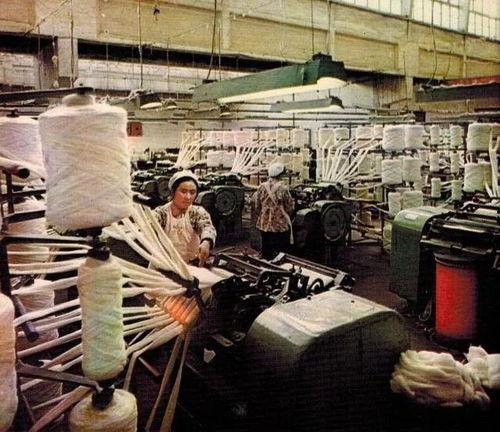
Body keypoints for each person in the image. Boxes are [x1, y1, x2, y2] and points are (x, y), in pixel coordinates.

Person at [154, 170, 216, 266]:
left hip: (190, 266)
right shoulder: (161, 213)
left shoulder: (197, 212)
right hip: (163, 265)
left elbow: (207, 227)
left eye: (192, 192)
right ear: (173, 192)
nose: (188, 197)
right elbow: (148, 225)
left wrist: (206, 241)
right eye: (183, 191)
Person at [252, 162, 294, 260]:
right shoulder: (283, 188)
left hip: (264, 222)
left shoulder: (262, 186)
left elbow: (257, 205)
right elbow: (289, 207)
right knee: (279, 250)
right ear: (280, 175)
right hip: (279, 224)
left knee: (266, 248)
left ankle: (265, 262)